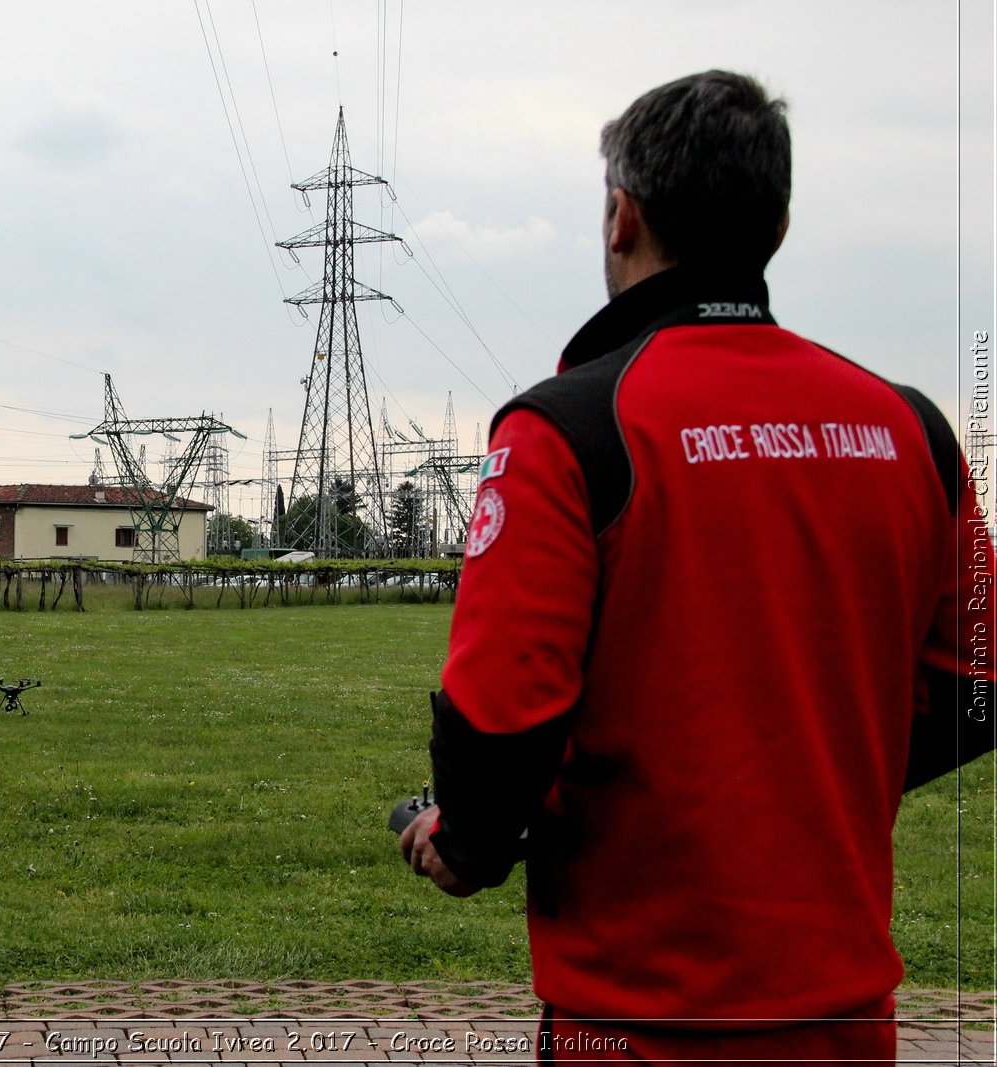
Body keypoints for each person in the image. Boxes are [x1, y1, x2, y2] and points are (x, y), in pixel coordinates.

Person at [400, 69, 994, 1062]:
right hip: (846, 1020)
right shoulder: (914, 430)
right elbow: (979, 684)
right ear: (779, 223)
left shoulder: (566, 429)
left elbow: (500, 711)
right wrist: (820, 773)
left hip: (638, 1018)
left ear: (619, 218)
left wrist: (463, 840)